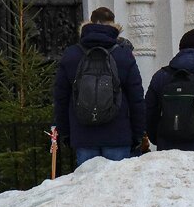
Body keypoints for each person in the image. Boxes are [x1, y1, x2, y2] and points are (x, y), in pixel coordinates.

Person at [53, 8, 145, 167]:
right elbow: (136, 99)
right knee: (118, 187)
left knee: (89, 188)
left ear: (89, 23)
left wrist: (66, 133)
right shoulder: (123, 56)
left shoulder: (72, 55)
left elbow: (61, 98)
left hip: (83, 135)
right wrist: (137, 135)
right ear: (114, 25)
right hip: (118, 136)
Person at [143, 29, 194, 157]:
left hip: (168, 149)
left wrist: (157, 138)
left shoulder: (160, 76)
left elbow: (149, 112)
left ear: (180, 49)